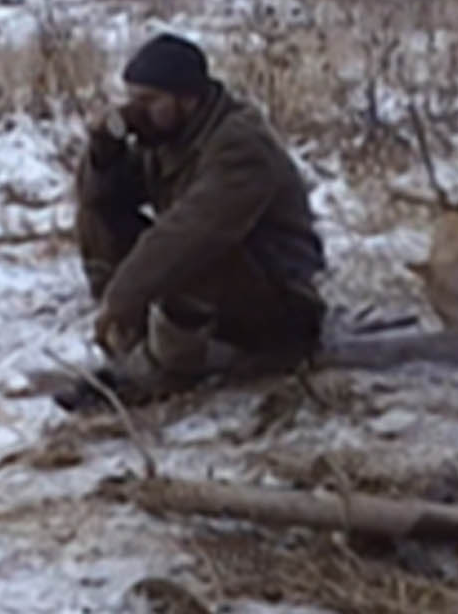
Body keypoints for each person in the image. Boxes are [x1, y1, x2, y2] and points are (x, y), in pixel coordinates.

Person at [56, 32, 328, 411]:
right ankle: (130, 342)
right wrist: (105, 151)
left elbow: (193, 231)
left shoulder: (239, 145)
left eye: (149, 101)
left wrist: (125, 294)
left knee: (191, 249)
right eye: (132, 99)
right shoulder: (171, 137)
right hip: (228, 294)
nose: (136, 111)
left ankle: (163, 372)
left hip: (281, 309)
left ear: (188, 99)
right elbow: (103, 200)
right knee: (99, 216)